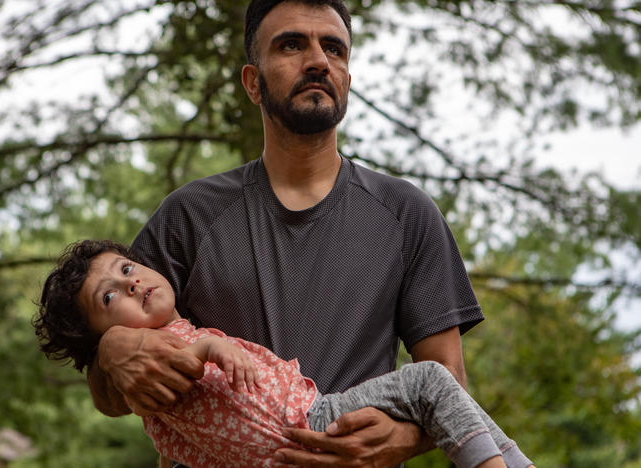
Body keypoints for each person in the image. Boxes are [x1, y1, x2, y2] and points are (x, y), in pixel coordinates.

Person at [86, 0, 495, 465]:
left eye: (335, 49)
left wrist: (403, 439)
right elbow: (107, 396)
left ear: (347, 79)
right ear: (253, 83)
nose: (319, 60)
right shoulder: (189, 215)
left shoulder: (406, 213)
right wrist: (112, 349)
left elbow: (449, 382)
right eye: (292, 44)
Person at [34, 239, 534, 468]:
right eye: (109, 297)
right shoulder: (159, 357)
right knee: (426, 382)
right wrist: (205, 344)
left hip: (299, 444)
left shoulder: (401, 213)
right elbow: (151, 381)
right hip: (310, 422)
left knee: (437, 387)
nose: (132, 282)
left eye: (127, 269)